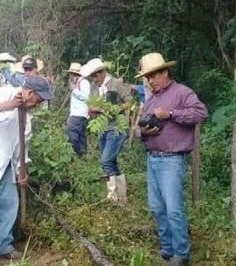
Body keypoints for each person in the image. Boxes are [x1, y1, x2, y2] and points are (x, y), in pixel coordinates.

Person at [0, 76, 53, 266]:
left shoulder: (27, 117)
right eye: (39, 99)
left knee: (9, 204)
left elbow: (22, 147)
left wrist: (21, 170)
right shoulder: (5, 92)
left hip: (7, 163)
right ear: (30, 93)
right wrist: (11, 104)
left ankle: (3, 246)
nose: (39, 103)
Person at [136, 52, 208, 265]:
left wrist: (172, 114)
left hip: (172, 160)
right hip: (153, 159)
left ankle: (181, 254)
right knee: (156, 207)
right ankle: (167, 248)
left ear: (165, 72)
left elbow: (201, 113)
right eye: (147, 77)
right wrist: (144, 133)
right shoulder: (150, 100)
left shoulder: (181, 92)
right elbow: (140, 129)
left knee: (174, 208)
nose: (150, 81)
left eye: (153, 76)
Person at [81, 58, 134, 203]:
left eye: (96, 75)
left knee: (105, 160)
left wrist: (115, 109)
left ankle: (113, 196)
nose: (94, 79)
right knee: (111, 161)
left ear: (103, 72)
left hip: (116, 127)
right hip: (102, 128)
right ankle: (122, 197)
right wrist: (94, 110)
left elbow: (129, 102)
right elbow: (91, 104)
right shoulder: (93, 87)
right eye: (92, 76)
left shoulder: (116, 83)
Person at [65, 62, 90, 155]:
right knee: (81, 137)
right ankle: (82, 157)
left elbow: (87, 97)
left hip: (79, 114)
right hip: (77, 114)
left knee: (71, 133)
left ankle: (76, 153)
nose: (70, 76)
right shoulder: (77, 83)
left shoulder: (84, 83)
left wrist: (74, 90)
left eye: (71, 74)